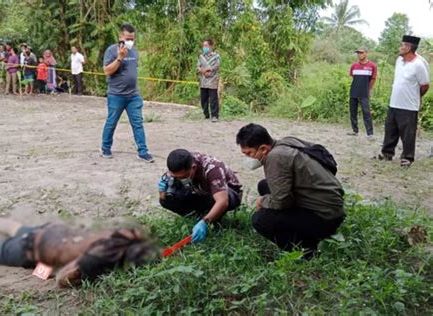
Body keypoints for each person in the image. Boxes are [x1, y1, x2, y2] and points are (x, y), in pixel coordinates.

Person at [236, 123, 345, 258]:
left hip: (325, 216)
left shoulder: (275, 157)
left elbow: (281, 202)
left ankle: (306, 250)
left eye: (249, 153)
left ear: (263, 148)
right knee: (264, 185)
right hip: (330, 202)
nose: (248, 158)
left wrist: (262, 201)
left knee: (260, 219)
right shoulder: (287, 142)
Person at [0, 214, 158, 288]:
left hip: (52, 230)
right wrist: (44, 270)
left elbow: (142, 232)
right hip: (32, 248)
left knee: (18, 229)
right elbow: (62, 278)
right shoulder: (96, 259)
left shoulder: (125, 234)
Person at [158, 149, 243, 243]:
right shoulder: (178, 165)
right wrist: (162, 190)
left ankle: (209, 220)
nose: (178, 179)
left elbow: (223, 201)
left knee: (221, 200)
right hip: (200, 191)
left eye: (182, 177)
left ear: (193, 168)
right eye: (175, 176)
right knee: (168, 199)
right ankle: (198, 217)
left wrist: (205, 222)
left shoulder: (213, 169)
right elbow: (164, 197)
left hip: (227, 193)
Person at [101, 23, 154, 162]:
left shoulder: (134, 51)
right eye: (127, 38)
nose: (130, 41)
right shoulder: (111, 51)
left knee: (138, 123)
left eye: (132, 39)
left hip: (133, 95)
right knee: (111, 122)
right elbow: (107, 71)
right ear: (120, 37)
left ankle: (143, 151)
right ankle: (105, 148)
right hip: (116, 95)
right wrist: (119, 58)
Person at [378, 35, 430, 168]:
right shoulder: (399, 61)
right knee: (390, 130)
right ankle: (387, 153)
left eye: (402, 45)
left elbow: (425, 85)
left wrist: (415, 96)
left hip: (409, 106)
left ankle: (407, 158)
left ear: (409, 47)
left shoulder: (418, 65)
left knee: (408, 134)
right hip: (394, 103)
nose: (400, 48)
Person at [347, 47, 377, 140]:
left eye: (361, 53)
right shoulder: (354, 66)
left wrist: (370, 89)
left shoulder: (372, 66)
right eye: (358, 53)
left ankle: (370, 134)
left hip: (364, 92)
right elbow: (353, 77)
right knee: (353, 111)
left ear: (366, 53)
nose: (359, 54)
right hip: (354, 91)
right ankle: (355, 130)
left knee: (366, 112)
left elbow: (373, 79)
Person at [197, 39, 221, 122]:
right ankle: (206, 114)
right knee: (203, 98)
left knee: (213, 99)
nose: (204, 47)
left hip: (212, 80)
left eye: (206, 46)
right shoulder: (201, 57)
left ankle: (215, 116)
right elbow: (198, 66)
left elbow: (216, 66)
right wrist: (202, 70)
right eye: (203, 46)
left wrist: (208, 69)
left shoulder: (216, 56)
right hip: (203, 81)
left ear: (211, 46)